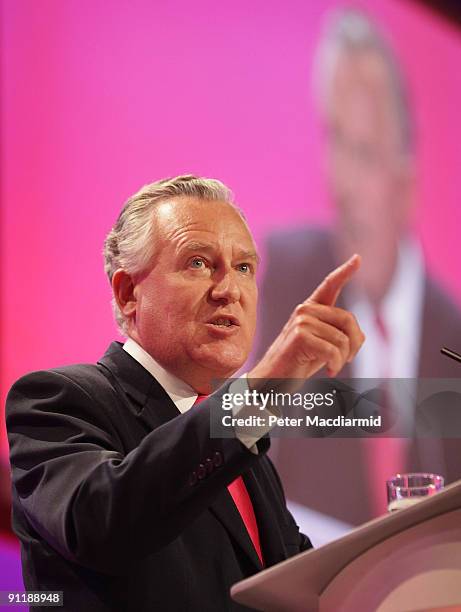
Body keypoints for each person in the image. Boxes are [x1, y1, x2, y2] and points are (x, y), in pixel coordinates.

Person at [6, 175, 364, 611]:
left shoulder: (246, 452)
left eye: (244, 267)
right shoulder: (58, 401)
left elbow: (297, 586)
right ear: (127, 293)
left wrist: (401, 565)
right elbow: (104, 523)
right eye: (198, 263)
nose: (229, 290)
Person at [257, 8, 461, 524]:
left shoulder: (454, 335)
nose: (343, 184)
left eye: (365, 152)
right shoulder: (293, 279)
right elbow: (240, 434)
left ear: (407, 181)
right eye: (335, 142)